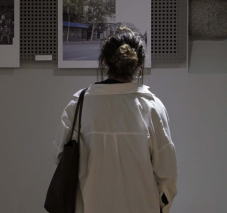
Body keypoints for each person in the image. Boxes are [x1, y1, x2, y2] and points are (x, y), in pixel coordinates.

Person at [53, 28, 177, 213]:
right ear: (139, 65)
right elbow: (167, 174)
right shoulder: (152, 108)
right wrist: (163, 207)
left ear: (104, 61)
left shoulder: (78, 105)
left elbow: (60, 156)